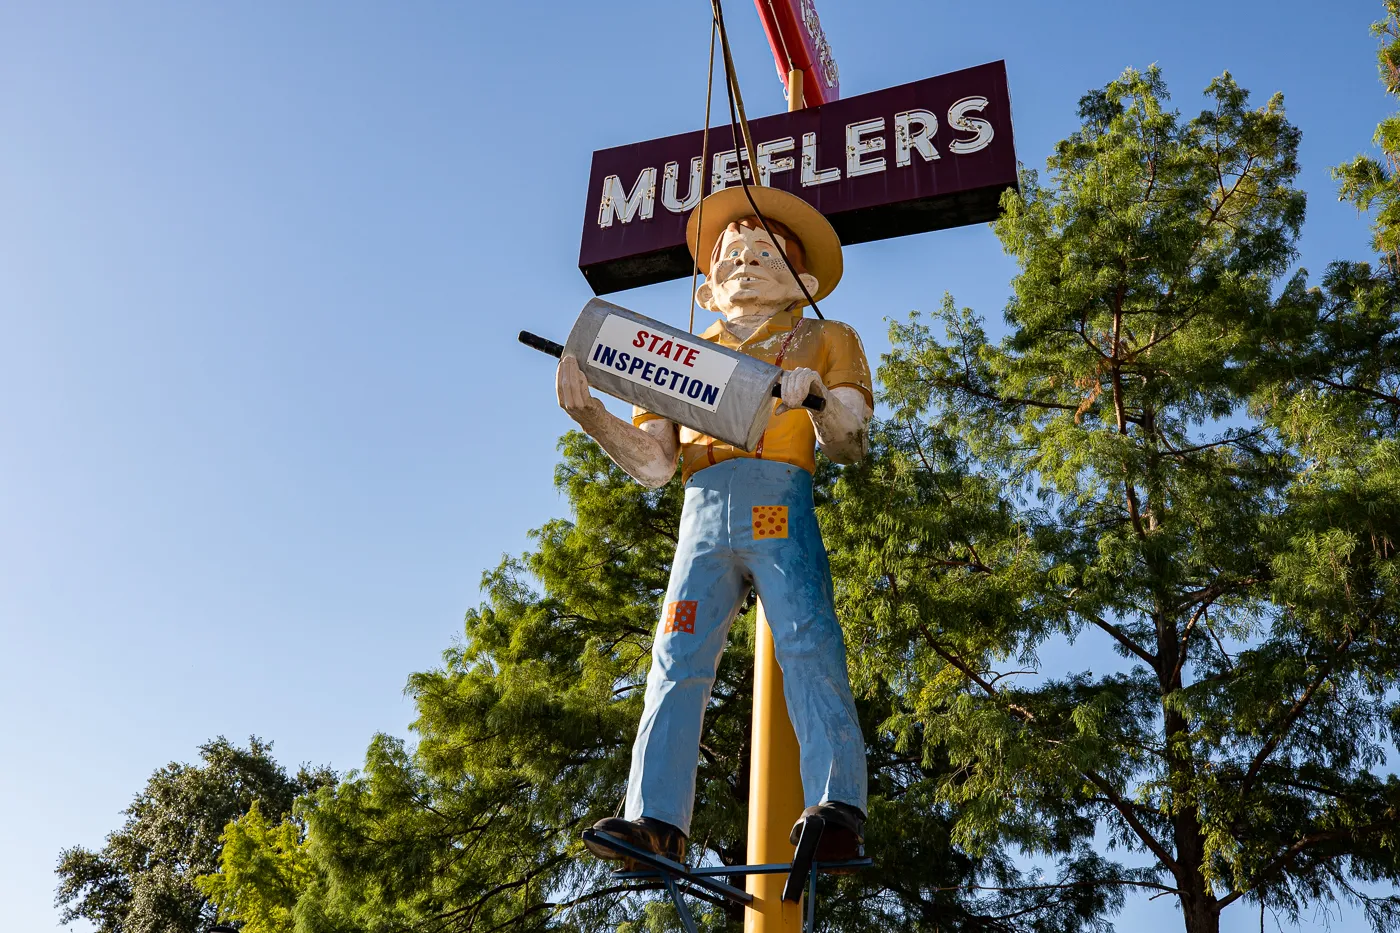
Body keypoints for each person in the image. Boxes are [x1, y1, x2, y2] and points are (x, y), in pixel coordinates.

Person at [556, 185, 872, 865]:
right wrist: (594, 417)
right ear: (706, 288)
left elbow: (852, 440)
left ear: (802, 280)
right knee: (674, 659)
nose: (745, 261)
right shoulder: (676, 354)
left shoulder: (827, 337)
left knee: (808, 640)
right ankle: (656, 818)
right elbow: (653, 463)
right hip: (700, 516)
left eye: (764, 252)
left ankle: (837, 800)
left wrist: (816, 399)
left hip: (778, 503)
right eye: (731, 255)